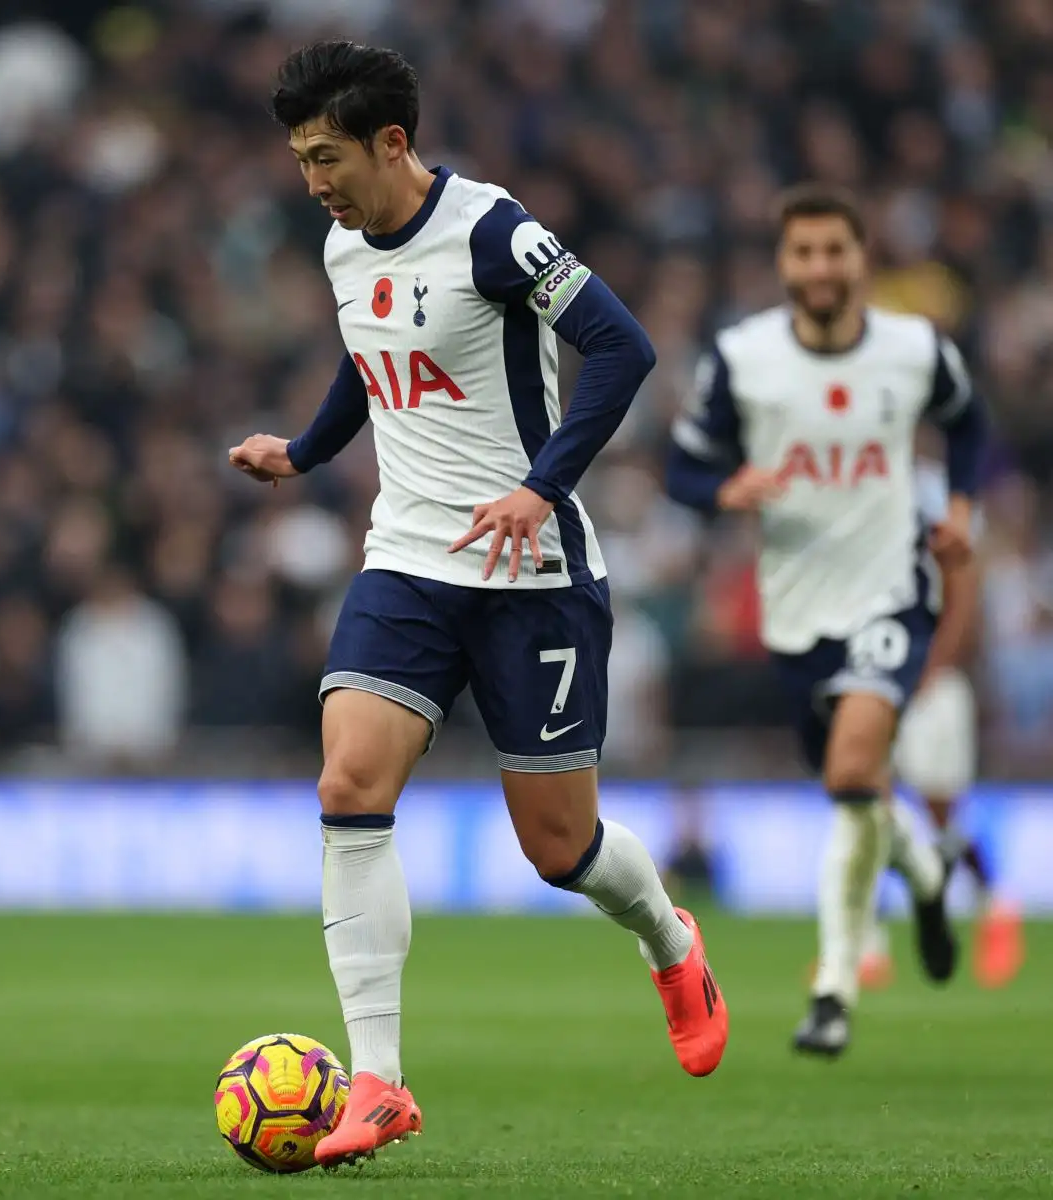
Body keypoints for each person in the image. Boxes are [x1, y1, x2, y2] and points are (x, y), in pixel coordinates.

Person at [228, 41, 728, 1169]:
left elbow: (622, 348)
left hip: (531, 575)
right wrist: (304, 454)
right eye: (301, 157)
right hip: (407, 561)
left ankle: (667, 937)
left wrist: (538, 487)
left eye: (326, 155)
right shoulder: (340, 245)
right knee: (349, 782)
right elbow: (371, 354)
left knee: (559, 849)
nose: (312, 179)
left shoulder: (496, 232)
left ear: (391, 143)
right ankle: (381, 1082)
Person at [665, 184, 985, 1059]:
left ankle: (834, 988)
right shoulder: (744, 358)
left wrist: (957, 507)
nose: (818, 268)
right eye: (802, 253)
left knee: (852, 774)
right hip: (796, 613)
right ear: (784, 264)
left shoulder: (914, 349)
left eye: (833, 251)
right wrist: (725, 489)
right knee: (859, 794)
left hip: (890, 593)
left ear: (860, 259)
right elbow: (683, 471)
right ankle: (925, 875)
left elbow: (969, 424)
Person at [878, 461, 1023, 990]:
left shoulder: (943, 535)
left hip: (933, 690)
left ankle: (997, 906)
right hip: (900, 682)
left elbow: (964, 612)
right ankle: (867, 946)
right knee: (873, 806)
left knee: (935, 815)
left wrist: (929, 671)